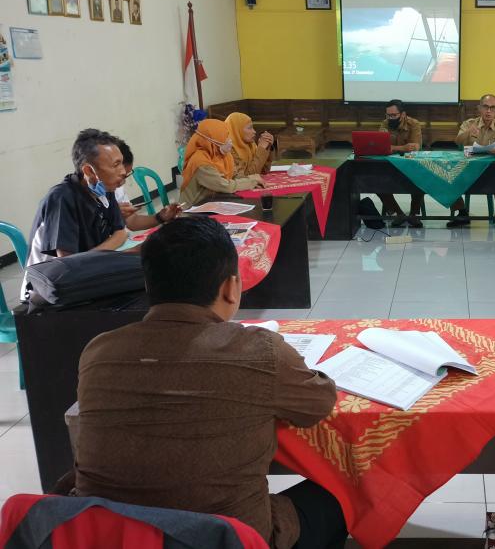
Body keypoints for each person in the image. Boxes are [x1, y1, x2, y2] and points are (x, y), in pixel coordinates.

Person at [72, 216, 347, 548]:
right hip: (223, 538)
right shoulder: (260, 351)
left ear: (148, 285)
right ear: (230, 287)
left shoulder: (98, 351)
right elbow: (319, 403)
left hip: (111, 535)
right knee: (338, 491)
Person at [22, 129, 128, 298]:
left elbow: (121, 233)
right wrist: (117, 252)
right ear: (89, 171)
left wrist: (101, 254)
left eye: (121, 163)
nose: (123, 171)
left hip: (84, 275)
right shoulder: (61, 198)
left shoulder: (105, 190)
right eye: (115, 165)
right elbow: (70, 264)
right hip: (47, 291)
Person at [448, 94, 495, 229]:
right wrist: (468, 132)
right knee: (449, 175)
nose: (489, 111)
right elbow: (457, 141)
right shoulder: (469, 124)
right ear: (479, 108)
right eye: (485, 107)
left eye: (493, 108)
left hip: (489, 169)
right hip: (468, 167)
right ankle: (461, 212)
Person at [178, 119, 265, 207]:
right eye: (225, 137)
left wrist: (252, 180)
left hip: (211, 202)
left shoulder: (222, 155)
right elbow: (225, 186)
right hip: (193, 209)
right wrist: (251, 182)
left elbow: (235, 176)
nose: (229, 141)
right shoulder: (200, 162)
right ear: (213, 139)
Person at [113, 138, 182, 231]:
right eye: (121, 176)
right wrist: (111, 216)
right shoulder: (94, 204)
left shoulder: (117, 190)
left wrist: (160, 217)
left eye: (125, 176)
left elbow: (132, 222)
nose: (122, 183)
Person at [376, 99, 425, 228]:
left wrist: (393, 148)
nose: (390, 118)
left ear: (403, 114)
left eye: (394, 115)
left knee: (421, 178)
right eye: (388, 115)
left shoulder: (414, 124)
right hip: (390, 165)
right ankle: (398, 214)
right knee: (374, 180)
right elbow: (381, 147)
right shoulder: (385, 124)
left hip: (411, 165)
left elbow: (415, 147)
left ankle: (414, 214)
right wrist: (403, 148)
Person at [225, 112, 274, 176]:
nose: (254, 131)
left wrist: (267, 147)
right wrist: (261, 148)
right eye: (249, 128)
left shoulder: (251, 146)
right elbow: (247, 177)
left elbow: (264, 171)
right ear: (237, 130)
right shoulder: (228, 150)